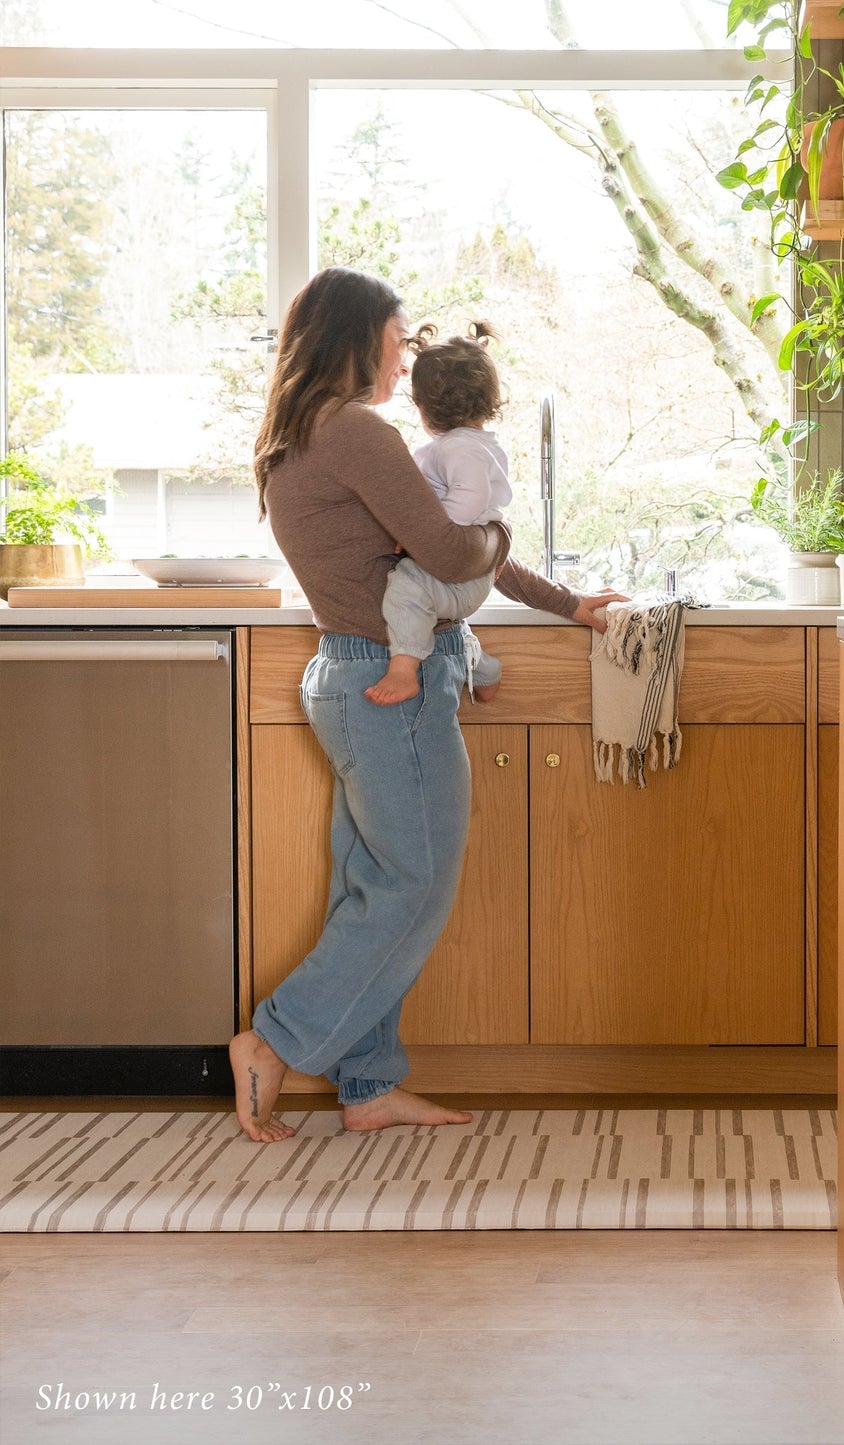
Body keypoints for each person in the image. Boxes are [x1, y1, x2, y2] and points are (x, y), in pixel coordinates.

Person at [229, 266, 623, 1143]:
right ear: (358, 337)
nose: (405, 360)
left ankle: (366, 1085)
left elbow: (434, 552)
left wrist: (568, 603)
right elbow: (455, 551)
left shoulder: (308, 431)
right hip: (387, 687)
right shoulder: (356, 430)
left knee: (374, 885)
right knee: (412, 888)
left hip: (355, 674)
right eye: (397, 340)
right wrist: (503, 529)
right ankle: (274, 1039)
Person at [364, 320, 511, 708]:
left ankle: (403, 670)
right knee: (437, 617)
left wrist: (419, 536)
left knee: (408, 587)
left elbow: (468, 502)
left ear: (424, 407)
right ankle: (482, 669)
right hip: (472, 572)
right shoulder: (467, 445)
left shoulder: (458, 448)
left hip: (464, 573)